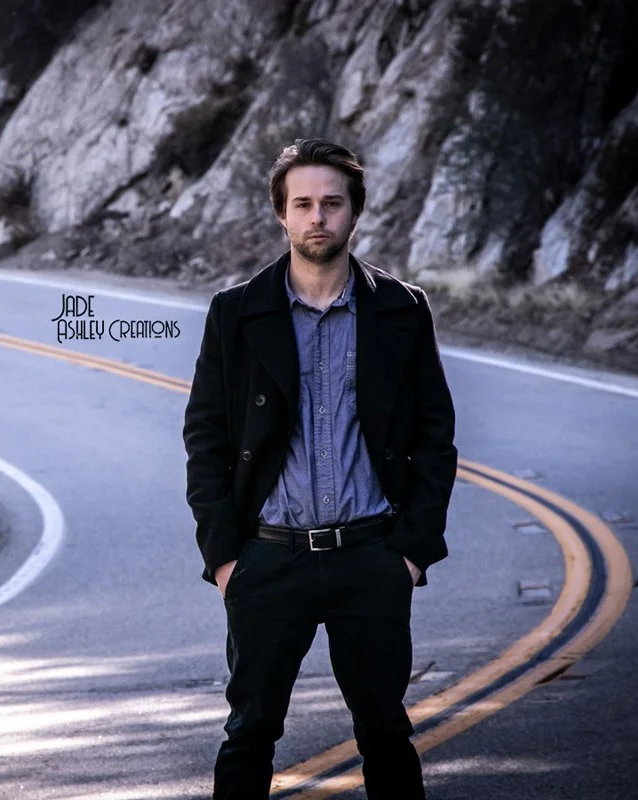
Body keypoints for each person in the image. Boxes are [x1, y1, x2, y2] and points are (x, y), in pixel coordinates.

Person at [182, 139, 457, 800]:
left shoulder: (401, 309)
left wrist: (411, 553)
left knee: (386, 733)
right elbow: (206, 438)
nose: (317, 217)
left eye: (332, 203)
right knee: (249, 733)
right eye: (302, 203)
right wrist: (225, 558)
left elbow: (435, 436)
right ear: (281, 213)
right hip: (269, 560)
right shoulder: (236, 312)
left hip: (371, 557)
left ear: (354, 211)